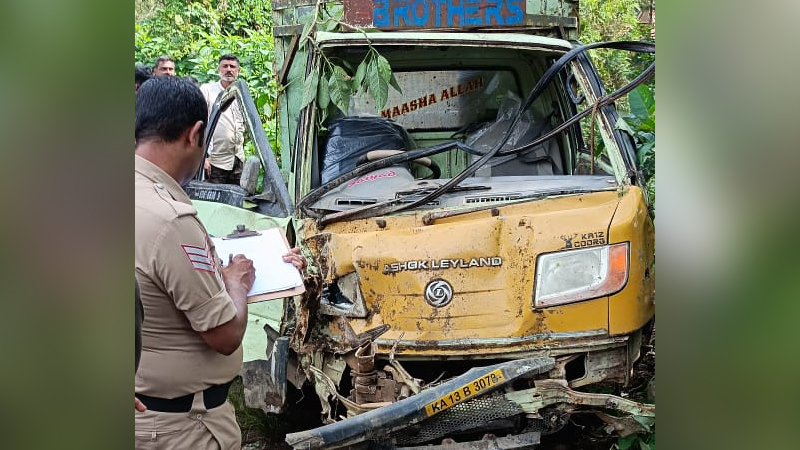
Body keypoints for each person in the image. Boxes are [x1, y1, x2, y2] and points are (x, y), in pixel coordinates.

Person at [135, 77, 305, 449]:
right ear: (196, 134)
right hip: (179, 427)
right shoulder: (169, 220)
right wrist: (235, 284)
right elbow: (225, 335)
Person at [200, 54, 246, 185]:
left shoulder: (241, 93)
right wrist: (203, 158)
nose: (229, 69)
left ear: (238, 70)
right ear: (218, 69)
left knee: (236, 198)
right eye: (225, 66)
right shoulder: (207, 90)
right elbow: (199, 123)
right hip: (215, 160)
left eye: (232, 66)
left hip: (237, 159)